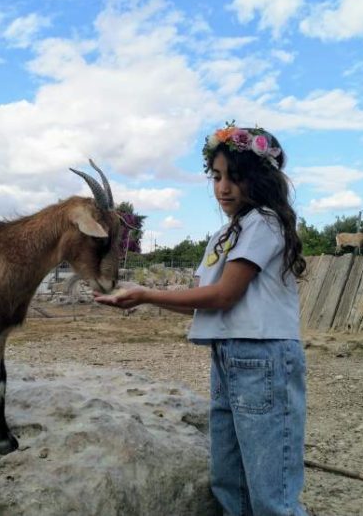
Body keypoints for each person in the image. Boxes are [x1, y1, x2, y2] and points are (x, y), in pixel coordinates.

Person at [95, 123, 307, 515]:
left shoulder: (264, 222)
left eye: (235, 177)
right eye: (217, 176)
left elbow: (224, 295)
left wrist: (146, 293)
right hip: (229, 357)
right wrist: (141, 299)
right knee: (231, 482)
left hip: (262, 357)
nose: (223, 187)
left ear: (260, 179)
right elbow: (200, 302)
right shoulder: (225, 235)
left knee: (269, 491)